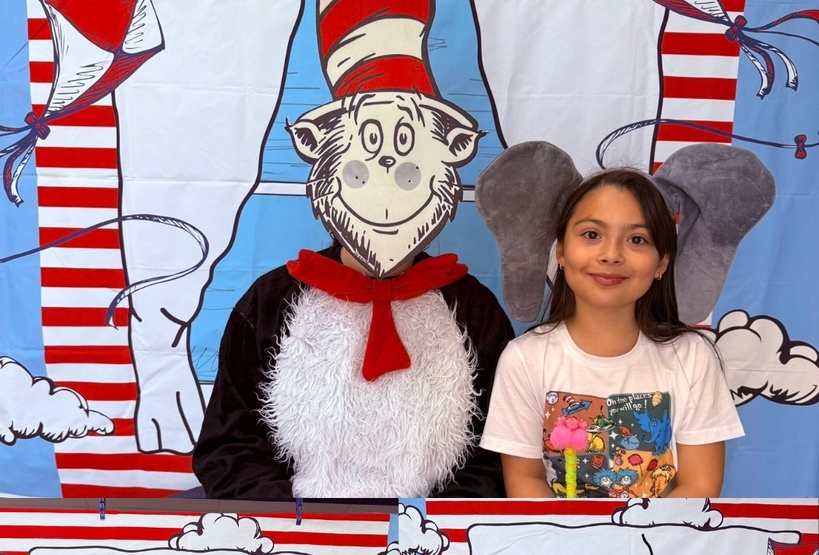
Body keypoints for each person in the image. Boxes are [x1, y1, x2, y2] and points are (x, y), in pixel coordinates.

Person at [479, 168, 744, 498]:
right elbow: (524, 480)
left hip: (661, 546)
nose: (611, 254)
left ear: (662, 262)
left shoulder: (691, 357)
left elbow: (699, 486)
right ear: (560, 250)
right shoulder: (525, 358)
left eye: (637, 239)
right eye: (591, 234)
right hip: (559, 546)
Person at [192, 240, 513, 500]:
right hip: (297, 541)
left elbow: (493, 454)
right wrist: (295, 529)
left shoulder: (475, 309)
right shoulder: (269, 302)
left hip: (429, 547)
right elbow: (231, 444)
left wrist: (428, 532)